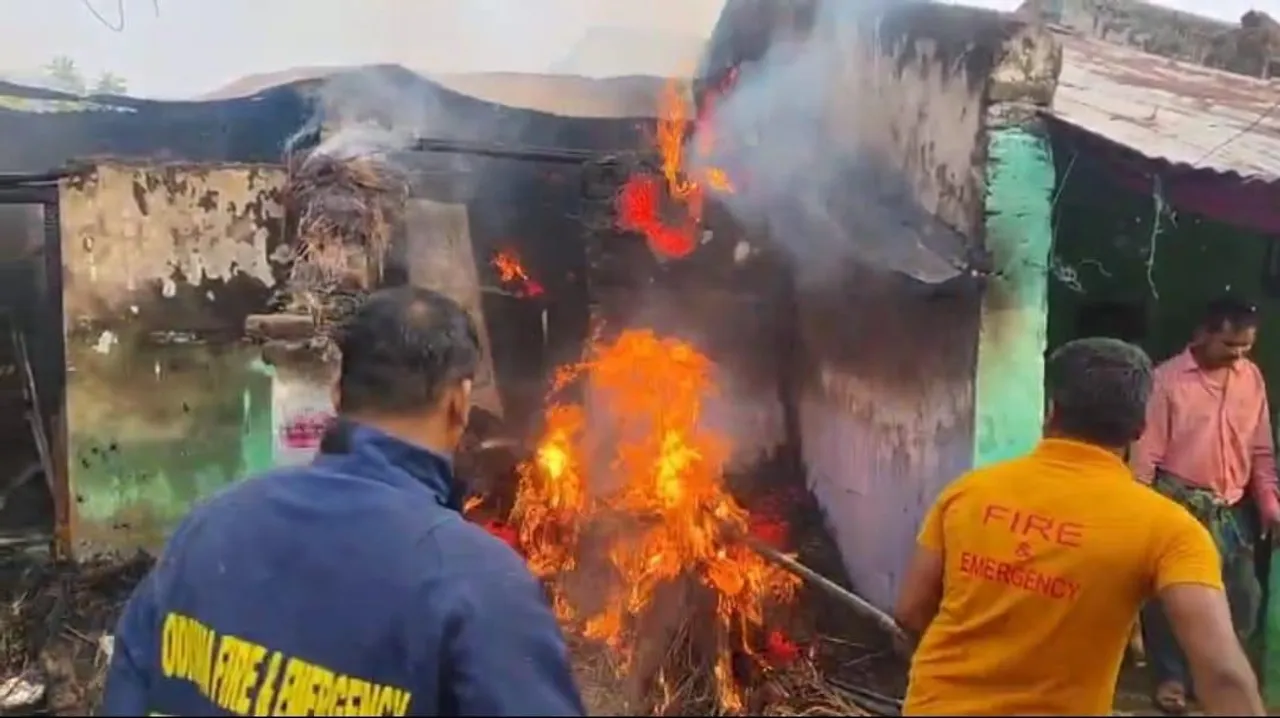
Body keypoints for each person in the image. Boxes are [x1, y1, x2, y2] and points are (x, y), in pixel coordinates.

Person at [99, 286, 586, 717]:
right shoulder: (473, 581)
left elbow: (129, 682)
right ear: (458, 402)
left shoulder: (210, 523)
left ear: (336, 393)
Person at [895, 337, 1263, 716]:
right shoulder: (1171, 530)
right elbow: (1222, 674)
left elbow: (910, 610)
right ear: (1139, 429)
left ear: (1050, 412)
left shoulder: (968, 493)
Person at [1131, 296, 1278, 715]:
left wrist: (1270, 503)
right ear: (1204, 334)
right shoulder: (1166, 382)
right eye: (1230, 346)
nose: (1238, 356)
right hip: (1178, 504)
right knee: (1168, 600)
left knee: (1243, 599)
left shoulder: (1252, 378)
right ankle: (1171, 680)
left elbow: (1262, 450)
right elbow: (1145, 456)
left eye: (1246, 347)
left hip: (1231, 510)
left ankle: (1206, 678)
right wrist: (1141, 514)